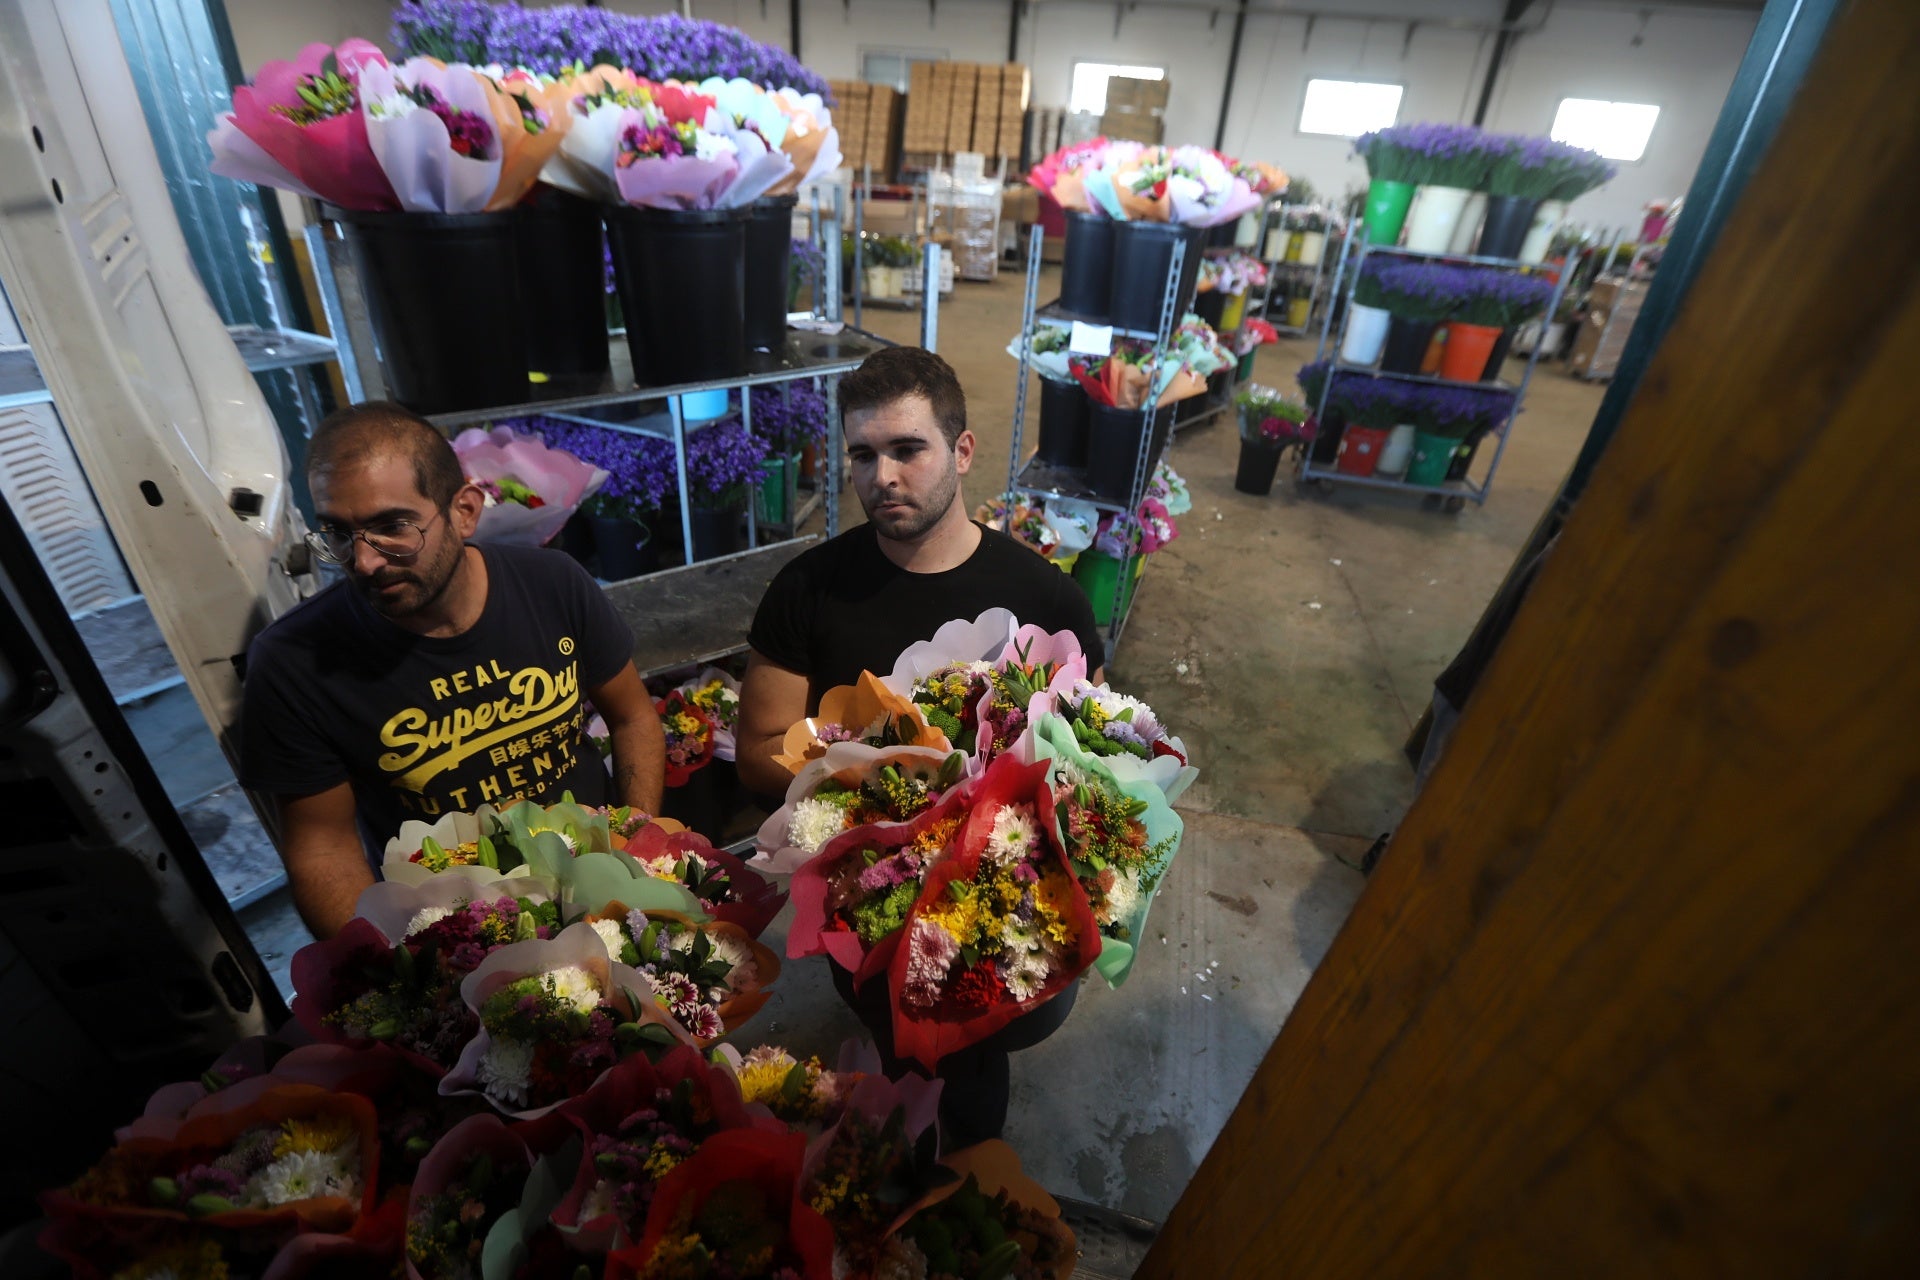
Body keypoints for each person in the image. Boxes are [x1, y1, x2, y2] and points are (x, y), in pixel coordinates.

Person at [737, 346, 1105, 1146]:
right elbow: (758, 745)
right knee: (913, 1068)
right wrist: (866, 786)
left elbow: (1092, 763)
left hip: (1005, 904)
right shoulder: (806, 589)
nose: (883, 476)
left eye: (908, 449)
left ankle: (952, 1167)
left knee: (978, 1052)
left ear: (962, 451)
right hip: (869, 901)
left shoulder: (1047, 596)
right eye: (863, 454)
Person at [238, 403, 664, 939]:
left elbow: (632, 719)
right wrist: (392, 971)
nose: (364, 562)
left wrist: (636, 844)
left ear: (465, 511)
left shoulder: (554, 584)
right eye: (338, 534)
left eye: (392, 527)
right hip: (455, 930)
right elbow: (323, 849)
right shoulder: (294, 662)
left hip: (603, 881)